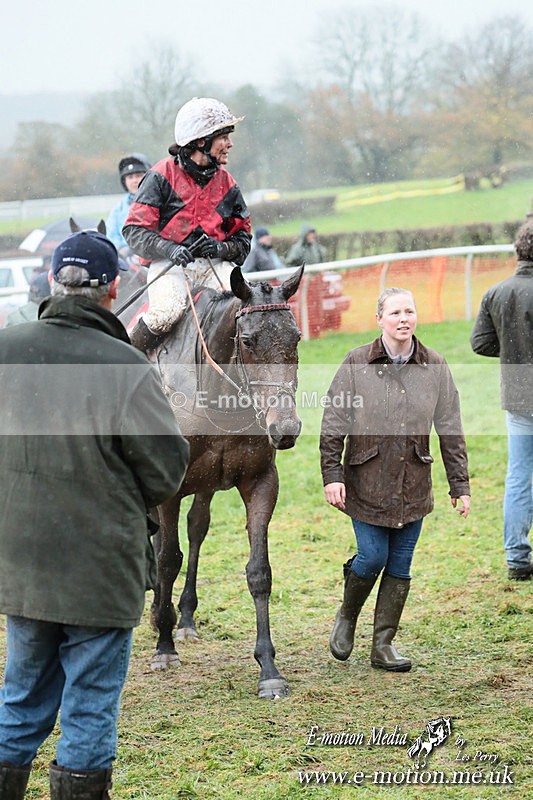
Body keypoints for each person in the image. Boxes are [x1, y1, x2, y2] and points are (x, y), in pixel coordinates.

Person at [0, 230, 189, 799]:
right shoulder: (126, 364)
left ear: (55, 282)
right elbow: (164, 471)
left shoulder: (6, 348)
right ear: (112, 292)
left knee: (20, 698)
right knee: (88, 709)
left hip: (21, 562)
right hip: (99, 566)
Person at [320, 287, 470, 672]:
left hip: (413, 484)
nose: (404, 319)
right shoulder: (356, 363)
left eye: (409, 312)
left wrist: (460, 484)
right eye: (395, 313)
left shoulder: (434, 365)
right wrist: (332, 475)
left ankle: (383, 646)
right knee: (373, 556)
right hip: (365, 482)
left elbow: (450, 428)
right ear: (379, 320)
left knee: (400, 565)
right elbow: (333, 424)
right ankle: (347, 616)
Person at [123, 97, 252, 352]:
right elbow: (134, 231)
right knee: (166, 313)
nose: (230, 144)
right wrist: (169, 249)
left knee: (244, 308)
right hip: (169, 265)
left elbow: (244, 241)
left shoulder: (228, 184)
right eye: (224, 136)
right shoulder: (160, 176)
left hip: (214, 267)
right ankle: (126, 363)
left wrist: (219, 249)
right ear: (201, 140)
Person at [470, 220, 533, 581]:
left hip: (519, 396)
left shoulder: (496, 292)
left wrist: (514, 350)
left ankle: (517, 557)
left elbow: (480, 343)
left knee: (519, 476)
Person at [105, 153, 152, 258]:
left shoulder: (160, 202)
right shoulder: (118, 209)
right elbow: (111, 237)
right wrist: (124, 250)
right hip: (127, 261)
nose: (135, 180)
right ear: (124, 181)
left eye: (139, 175)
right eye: (130, 177)